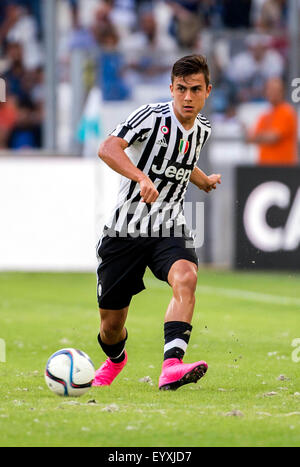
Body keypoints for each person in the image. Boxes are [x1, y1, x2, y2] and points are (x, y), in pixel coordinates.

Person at [93, 54, 221, 391]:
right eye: (181, 89)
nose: (188, 97)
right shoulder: (150, 116)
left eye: (195, 90)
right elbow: (107, 147)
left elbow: (181, 159)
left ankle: (172, 366)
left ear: (208, 90)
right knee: (110, 327)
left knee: (186, 277)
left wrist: (202, 180)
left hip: (169, 226)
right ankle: (116, 359)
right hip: (125, 230)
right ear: (171, 88)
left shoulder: (203, 130)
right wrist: (140, 177)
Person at [246, 77, 298, 166]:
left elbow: (274, 137)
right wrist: (262, 136)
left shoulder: (287, 112)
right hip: (264, 166)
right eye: (269, 89)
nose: (271, 93)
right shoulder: (265, 115)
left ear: (282, 92)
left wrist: (259, 137)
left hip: (283, 167)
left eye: (275, 90)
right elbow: (250, 138)